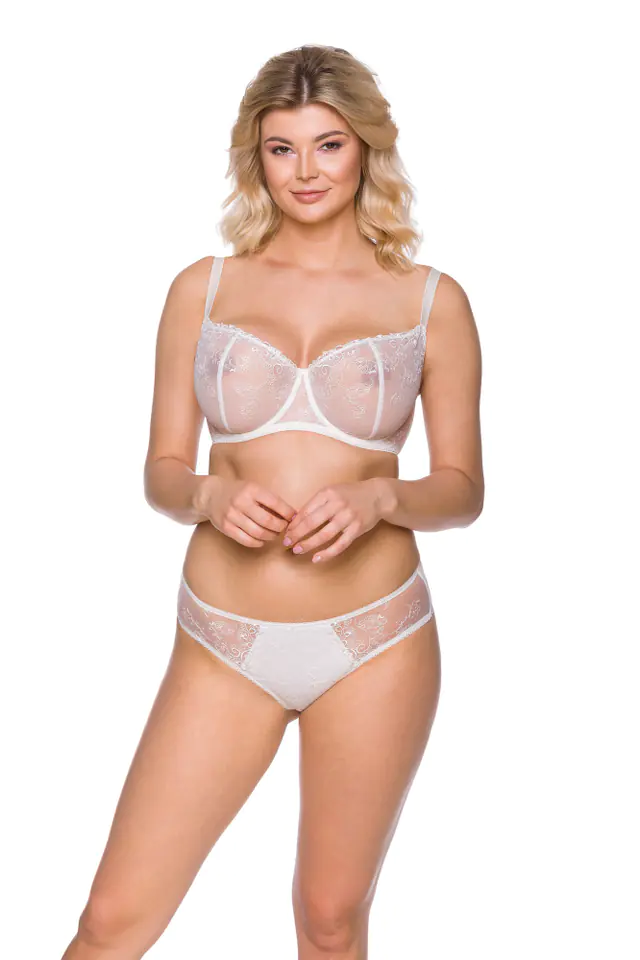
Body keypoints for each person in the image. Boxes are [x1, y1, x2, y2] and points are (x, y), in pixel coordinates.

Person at [62, 44, 484, 960]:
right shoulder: (202, 288)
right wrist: (207, 494)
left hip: (376, 641)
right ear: (255, 156)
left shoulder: (431, 302)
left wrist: (382, 499)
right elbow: (161, 470)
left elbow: (462, 491)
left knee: (329, 922)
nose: (305, 171)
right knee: (109, 920)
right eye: (282, 148)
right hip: (223, 642)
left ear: (367, 147)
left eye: (329, 145)